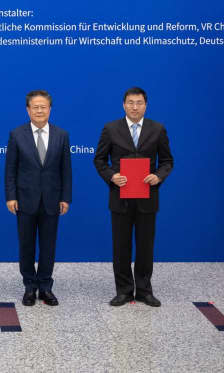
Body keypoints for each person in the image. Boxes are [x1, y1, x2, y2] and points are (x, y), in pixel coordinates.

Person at [93, 86, 173, 307]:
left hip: (148, 197)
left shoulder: (157, 129)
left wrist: (158, 176)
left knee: (146, 246)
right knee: (121, 246)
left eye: (139, 103)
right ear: (123, 104)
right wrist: (112, 176)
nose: (134, 107)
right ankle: (124, 290)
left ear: (146, 105)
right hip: (120, 198)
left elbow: (167, 161)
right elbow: (99, 161)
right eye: (130, 102)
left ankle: (144, 290)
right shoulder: (110, 129)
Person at [5, 90, 72, 307]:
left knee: (48, 246)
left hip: (52, 200)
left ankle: (45, 286)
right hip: (24, 200)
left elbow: (66, 171)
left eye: (44, 107)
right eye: (35, 107)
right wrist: (10, 196)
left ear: (50, 109)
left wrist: (65, 197)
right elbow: (10, 170)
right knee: (26, 246)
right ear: (28, 110)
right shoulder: (17, 134)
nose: (40, 110)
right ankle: (29, 286)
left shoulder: (61, 135)